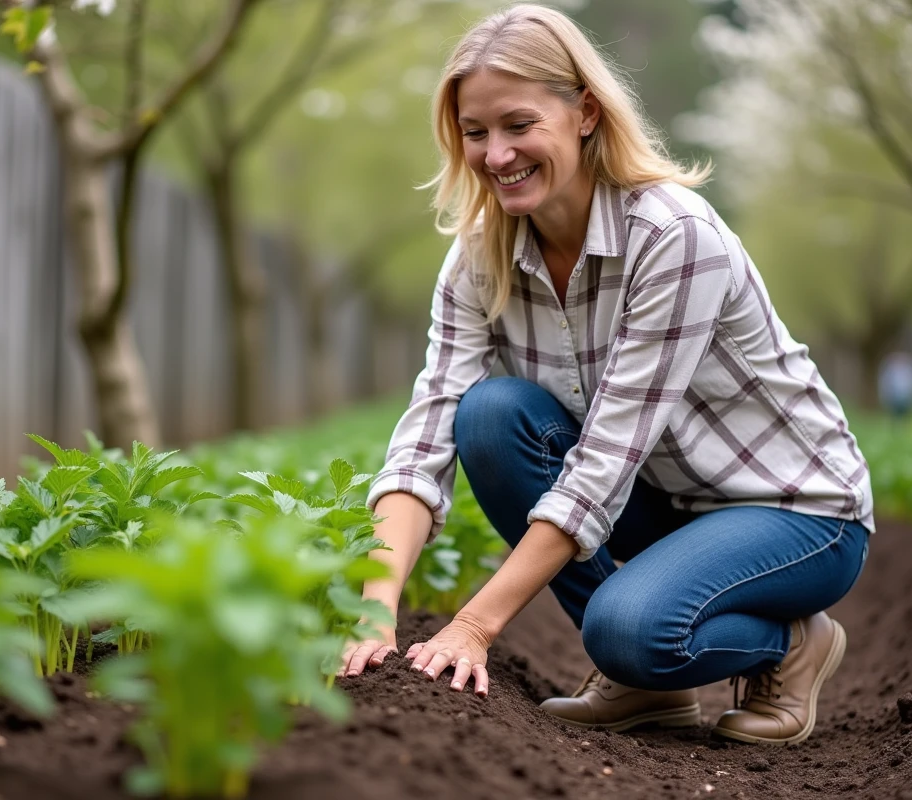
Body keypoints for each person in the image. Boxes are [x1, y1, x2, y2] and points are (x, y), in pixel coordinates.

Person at [338, 4, 873, 746]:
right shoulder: (477, 259)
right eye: (475, 132)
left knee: (627, 631)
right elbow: (429, 428)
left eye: (519, 125)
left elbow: (604, 461)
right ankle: (642, 682)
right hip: (663, 498)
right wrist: (374, 606)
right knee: (490, 417)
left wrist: (473, 626)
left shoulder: (674, 237)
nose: (496, 155)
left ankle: (788, 646)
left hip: (794, 512)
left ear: (585, 112)